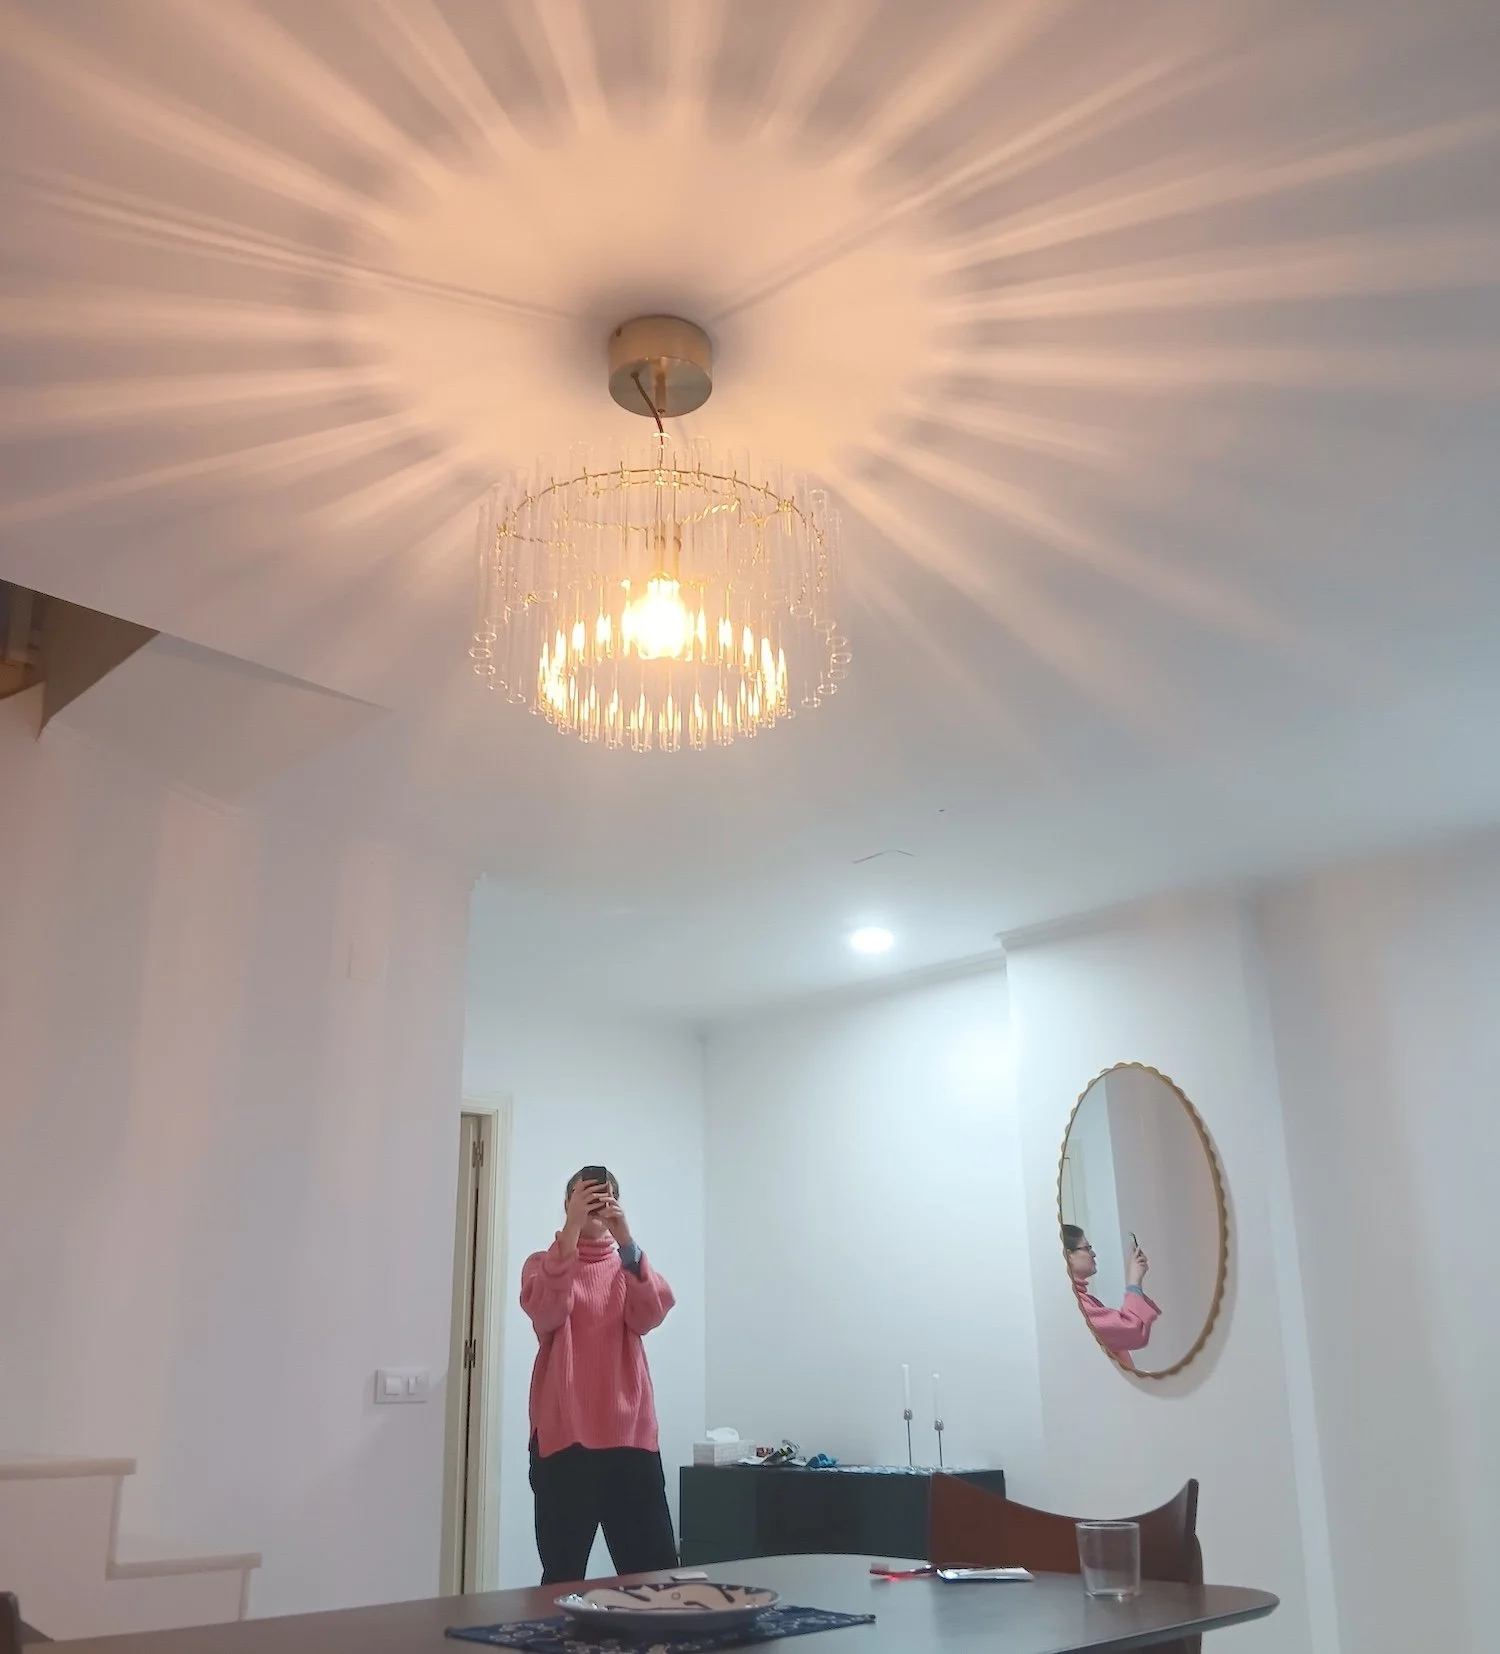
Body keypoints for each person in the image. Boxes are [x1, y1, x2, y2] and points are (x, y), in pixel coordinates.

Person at [521, 1165, 679, 1586]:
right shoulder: (542, 1265)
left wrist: (625, 1239)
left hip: (630, 1437)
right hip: (563, 1439)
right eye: (583, 1196)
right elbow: (547, 1311)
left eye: (603, 1196)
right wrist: (572, 1231)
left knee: (654, 1574)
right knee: (563, 1575)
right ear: (567, 1203)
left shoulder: (629, 1266)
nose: (593, 1204)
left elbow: (650, 1315)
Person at [1062, 1224, 1160, 1370]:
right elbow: (1133, 1330)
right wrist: (1133, 1282)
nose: (1093, 1253)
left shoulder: (1087, 1301)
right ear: (1069, 1255)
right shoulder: (1076, 1306)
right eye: (1087, 1248)